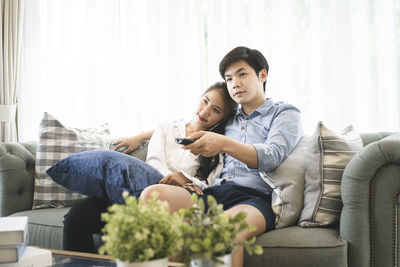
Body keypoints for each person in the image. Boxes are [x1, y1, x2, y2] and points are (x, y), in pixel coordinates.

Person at [139, 46, 303, 267]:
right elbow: (189, 125)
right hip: (214, 192)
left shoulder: (284, 113)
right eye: (229, 78)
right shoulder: (228, 117)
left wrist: (223, 143)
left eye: (242, 74)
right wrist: (138, 136)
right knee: (152, 195)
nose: (235, 83)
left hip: (254, 198)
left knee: (219, 232)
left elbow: (271, 156)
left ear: (262, 75)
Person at [62, 82, 238, 253]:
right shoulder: (165, 129)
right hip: (138, 192)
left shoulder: (217, 147)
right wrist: (172, 178)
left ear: (223, 119)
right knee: (77, 216)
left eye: (216, 110)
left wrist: (186, 179)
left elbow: (209, 183)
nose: (205, 111)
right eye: (205, 101)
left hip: (172, 202)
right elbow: (155, 161)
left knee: (141, 229)